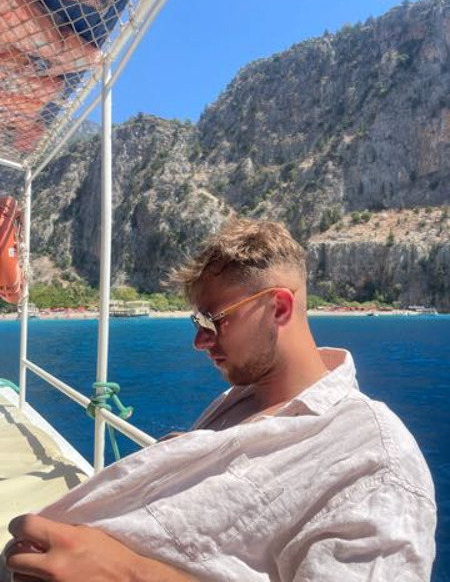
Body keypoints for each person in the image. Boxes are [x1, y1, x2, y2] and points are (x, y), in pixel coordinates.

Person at [5, 217, 436, 581]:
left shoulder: (376, 461)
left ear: (279, 308)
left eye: (214, 321)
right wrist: (188, 460)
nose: (199, 341)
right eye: (197, 321)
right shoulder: (244, 398)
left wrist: (129, 572)